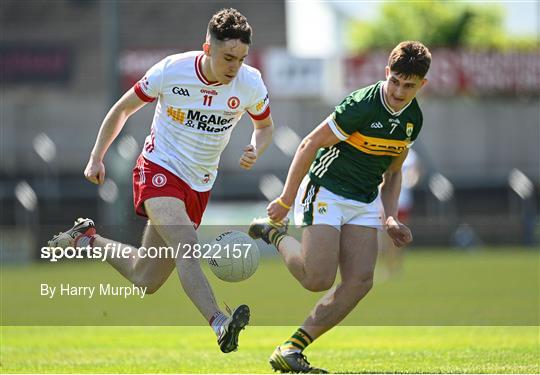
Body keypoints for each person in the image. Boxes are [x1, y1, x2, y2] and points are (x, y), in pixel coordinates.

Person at [48, 8, 274, 353]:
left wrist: (255, 147)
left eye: (241, 59)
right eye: (228, 57)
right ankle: (219, 323)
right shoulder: (172, 70)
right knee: (186, 242)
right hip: (159, 169)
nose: (234, 66)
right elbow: (122, 109)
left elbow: (265, 126)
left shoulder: (250, 83)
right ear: (207, 48)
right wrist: (96, 157)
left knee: (145, 277)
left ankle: (86, 239)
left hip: (199, 184)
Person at [249, 41, 431, 373]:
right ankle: (274, 234)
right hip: (326, 189)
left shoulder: (413, 119)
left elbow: (393, 173)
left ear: (422, 85)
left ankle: (291, 349)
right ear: (386, 73)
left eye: (409, 86)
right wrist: (286, 200)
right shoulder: (360, 105)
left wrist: (389, 217)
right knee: (317, 279)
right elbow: (310, 143)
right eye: (395, 81)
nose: (399, 92)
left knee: (360, 281)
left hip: (363, 199)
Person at [379, 148, 421, 276]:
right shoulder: (386, 149)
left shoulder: (412, 155)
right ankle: (389, 264)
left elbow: (415, 173)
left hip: (403, 200)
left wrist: (411, 182)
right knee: (386, 235)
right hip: (385, 199)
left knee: (401, 234)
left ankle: (397, 264)